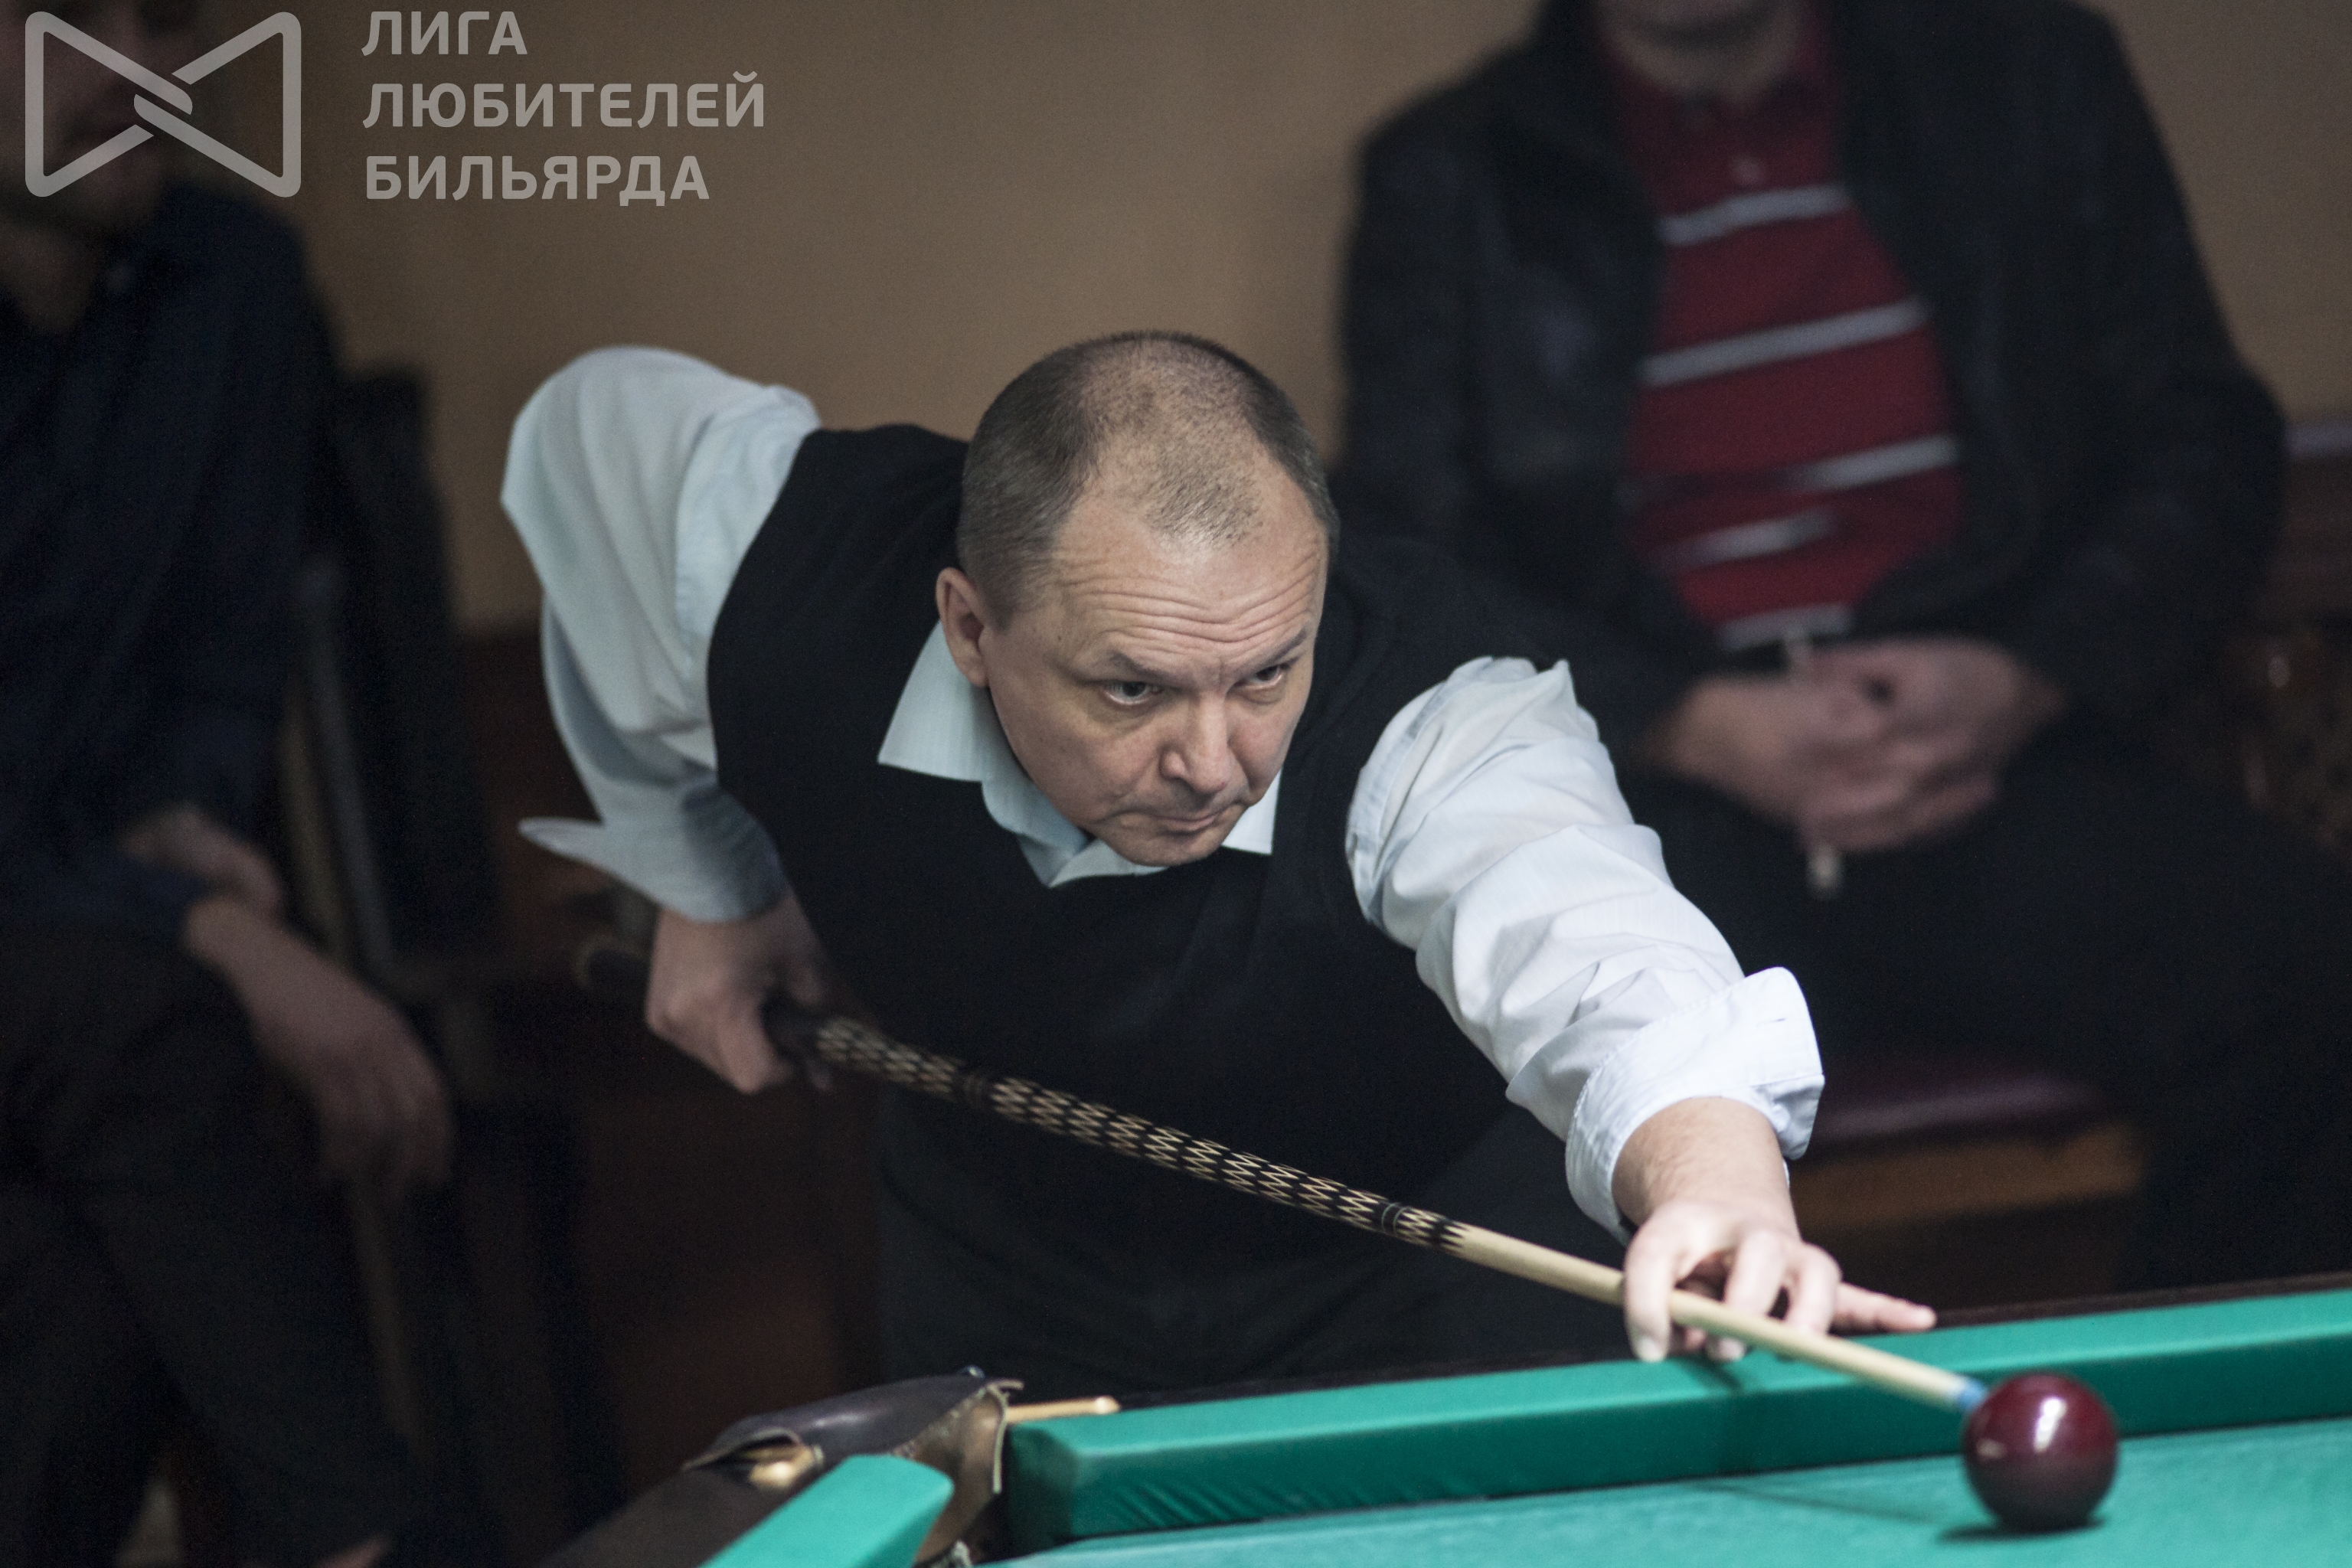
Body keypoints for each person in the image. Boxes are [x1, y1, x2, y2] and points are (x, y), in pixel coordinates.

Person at [505, 332, 1932, 1400]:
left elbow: (1606, 956)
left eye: (1265, 675)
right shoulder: (790, 570)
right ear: (970, 626)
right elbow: (583, 432)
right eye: (1130, 690)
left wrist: (1720, 1190)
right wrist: (708, 879)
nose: (1214, 760)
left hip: (1419, 1272)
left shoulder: (1436, 719)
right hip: (1005, 1265)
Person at [1339, 0, 2352, 1287]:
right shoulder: (1454, 166)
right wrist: (1684, 721)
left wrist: (2026, 677)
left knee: (2318, 979)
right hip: (1662, 808)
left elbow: (2203, 438)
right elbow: (1412, 553)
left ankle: (2189, 1389)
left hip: (2000, 767)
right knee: (1472, 1063)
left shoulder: (2028, 76)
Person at [1, 2, 445, 1563]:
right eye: (63, 22)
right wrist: (200, 920)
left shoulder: (234, 287)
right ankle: (377, 1544)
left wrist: (188, 823)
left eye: (164, 19)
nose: (139, 69)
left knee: (87, 1297)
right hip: (86, 958)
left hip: (82, 943)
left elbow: (224, 656)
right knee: (149, 1022)